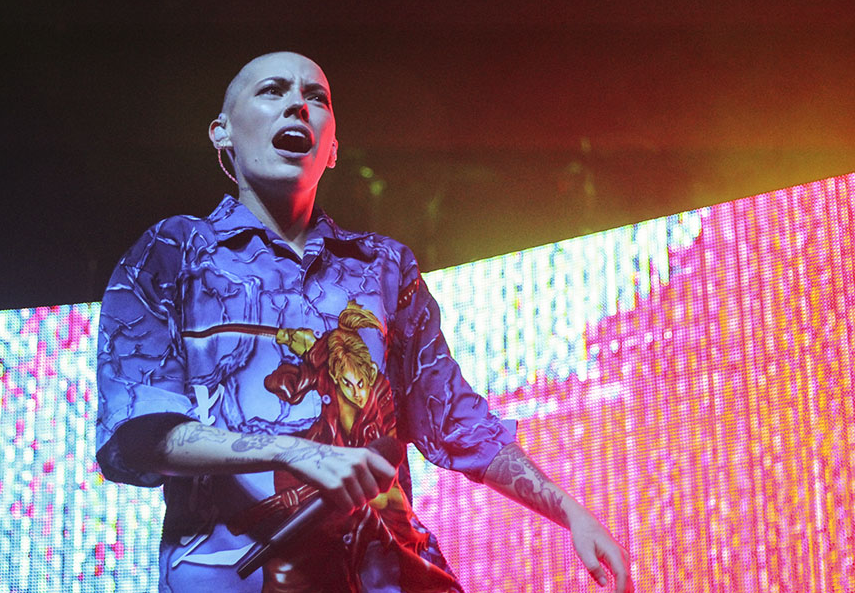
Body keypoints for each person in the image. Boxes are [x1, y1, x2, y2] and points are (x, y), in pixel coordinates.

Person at [95, 51, 633, 592]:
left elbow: (453, 418)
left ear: (333, 151)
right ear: (221, 133)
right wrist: (296, 452)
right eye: (272, 91)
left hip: (388, 573)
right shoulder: (171, 253)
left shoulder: (385, 267)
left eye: (317, 98)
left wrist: (569, 511)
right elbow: (139, 433)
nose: (297, 107)